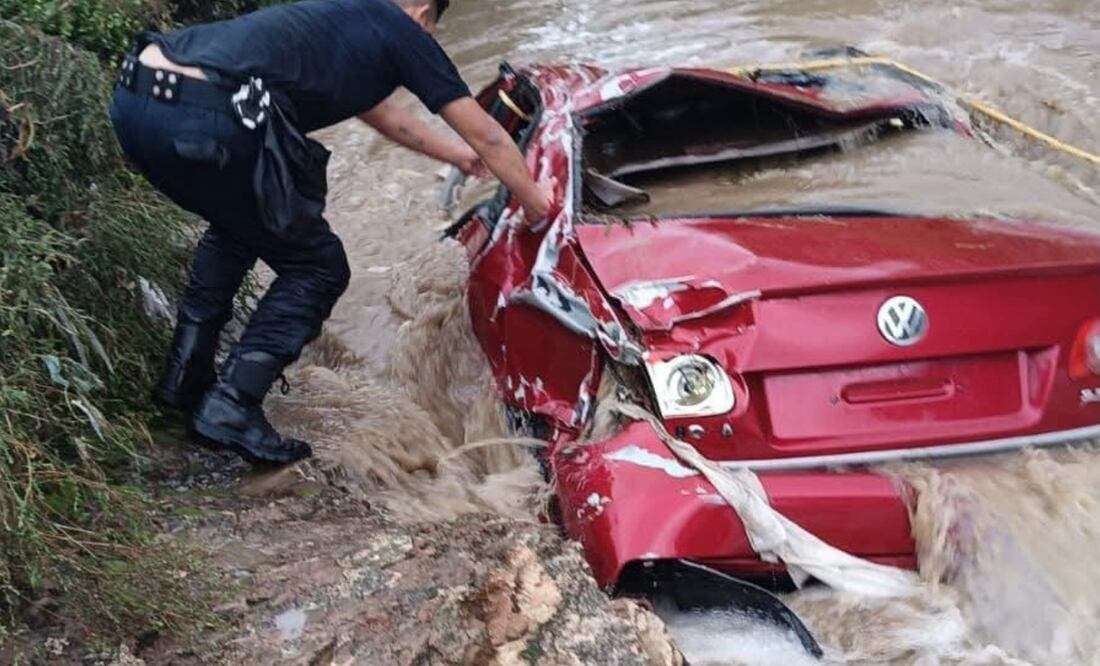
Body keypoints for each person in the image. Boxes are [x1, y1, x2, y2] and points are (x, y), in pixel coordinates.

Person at [108, 0, 553, 466]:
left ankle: (185, 378)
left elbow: (387, 116)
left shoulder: (343, 16)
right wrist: (540, 208)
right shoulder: (404, 31)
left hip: (137, 100)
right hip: (205, 114)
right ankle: (231, 403)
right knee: (318, 267)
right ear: (424, 13)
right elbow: (490, 136)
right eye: (434, 29)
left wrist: (456, 157)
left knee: (238, 224)